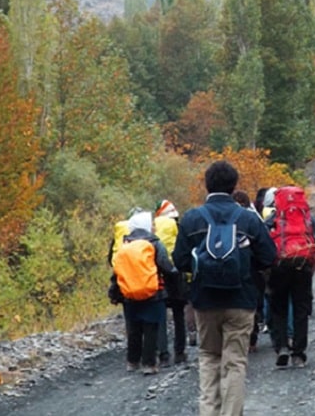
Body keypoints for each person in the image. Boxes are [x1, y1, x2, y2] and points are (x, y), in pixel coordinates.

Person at [173, 161, 276, 416]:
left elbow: (180, 261)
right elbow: (269, 256)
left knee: (209, 357)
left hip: (205, 300)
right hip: (241, 299)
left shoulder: (192, 218)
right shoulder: (248, 219)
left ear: (207, 185)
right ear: (234, 186)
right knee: (235, 362)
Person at [109, 211, 178, 375]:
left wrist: (115, 292)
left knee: (134, 329)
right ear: (147, 226)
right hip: (153, 294)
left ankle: (132, 361)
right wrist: (176, 278)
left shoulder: (125, 245)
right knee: (151, 328)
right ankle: (149, 364)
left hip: (129, 294)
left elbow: (117, 272)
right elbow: (166, 266)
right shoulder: (155, 244)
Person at [264, 186, 315, 368]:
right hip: (303, 266)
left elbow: (265, 248)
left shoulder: (272, 219)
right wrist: (311, 270)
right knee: (301, 310)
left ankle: (281, 347)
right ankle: (298, 353)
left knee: (279, 308)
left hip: (280, 267)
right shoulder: (309, 220)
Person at [154, 199, 188, 366]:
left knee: (160, 315)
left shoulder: (152, 229)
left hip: (157, 276)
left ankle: (163, 354)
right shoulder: (179, 228)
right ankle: (180, 352)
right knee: (178, 315)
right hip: (176, 275)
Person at [232, 190, 265, 353]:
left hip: (228, 269)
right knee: (252, 305)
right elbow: (266, 249)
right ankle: (251, 338)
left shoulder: (223, 218)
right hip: (251, 268)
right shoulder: (252, 217)